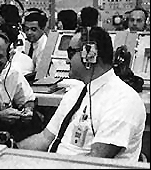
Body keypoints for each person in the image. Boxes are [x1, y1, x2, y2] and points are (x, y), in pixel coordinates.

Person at [17, 26, 146, 161]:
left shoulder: (123, 101)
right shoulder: (75, 93)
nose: (67, 61)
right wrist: (10, 149)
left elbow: (96, 160)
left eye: (71, 53)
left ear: (90, 54)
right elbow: (44, 139)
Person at [23, 8, 48, 73]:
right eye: (26, 29)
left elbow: (39, 73)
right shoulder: (30, 43)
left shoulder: (44, 47)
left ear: (43, 28)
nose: (29, 33)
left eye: (33, 29)